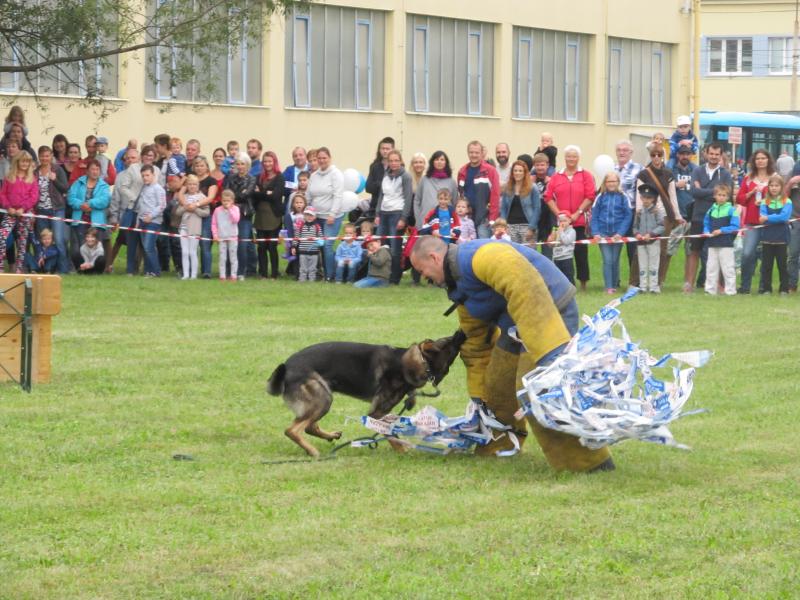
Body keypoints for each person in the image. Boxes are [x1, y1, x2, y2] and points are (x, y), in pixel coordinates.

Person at [409, 235, 614, 472]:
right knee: (497, 384)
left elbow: (527, 288)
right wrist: (479, 400)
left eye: (421, 270)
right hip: (515, 326)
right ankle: (501, 447)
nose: (423, 277)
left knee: (536, 390)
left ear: (434, 257)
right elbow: (477, 342)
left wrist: (548, 353)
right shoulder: (458, 284)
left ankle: (589, 463)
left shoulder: (478, 256)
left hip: (550, 311)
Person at [544, 145, 595, 290]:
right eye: (568, 156)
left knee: (580, 253)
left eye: (574, 156)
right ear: (564, 158)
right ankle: (563, 283)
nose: (571, 159)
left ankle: (583, 283)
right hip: (562, 224)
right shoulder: (556, 176)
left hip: (579, 222)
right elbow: (548, 197)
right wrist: (560, 215)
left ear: (578, 158)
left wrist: (577, 213)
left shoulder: (585, 175)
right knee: (561, 253)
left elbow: (590, 196)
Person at [685, 143, 733, 293]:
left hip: (718, 218)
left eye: (716, 154)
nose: (713, 156)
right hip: (698, 216)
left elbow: (727, 194)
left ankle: (719, 285)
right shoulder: (697, 170)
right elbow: (693, 192)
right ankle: (689, 284)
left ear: (721, 156)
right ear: (706, 154)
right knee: (695, 250)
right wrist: (715, 192)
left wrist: (703, 190)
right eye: (711, 153)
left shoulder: (725, 173)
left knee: (717, 252)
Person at [636, 141, 683, 288]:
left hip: (664, 216)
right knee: (641, 248)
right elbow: (639, 195)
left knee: (662, 250)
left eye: (659, 155)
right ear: (650, 156)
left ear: (663, 156)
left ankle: (658, 281)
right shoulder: (643, 173)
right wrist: (639, 211)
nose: (656, 157)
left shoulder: (668, 173)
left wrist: (677, 216)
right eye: (653, 155)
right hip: (646, 214)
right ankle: (636, 282)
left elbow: (672, 196)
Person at [736, 149, 775, 294]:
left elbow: (782, 198)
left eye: (763, 158)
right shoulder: (748, 178)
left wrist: (766, 200)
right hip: (751, 222)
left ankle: (764, 287)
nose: (760, 161)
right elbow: (739, 199)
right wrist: (751, 193)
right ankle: (745, 286)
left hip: (769, 222)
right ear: (754, 161)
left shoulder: (774, 178)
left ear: (768, 160)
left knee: (766, 256)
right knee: (747, 253)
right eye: (757, 158)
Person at [306, 147, 345, 281]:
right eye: (319, 158)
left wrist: (332, 214)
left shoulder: (336, 174)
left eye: (324, 158)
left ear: (329, 158)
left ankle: (330, 276)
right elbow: (309, 195)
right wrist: (308, 211)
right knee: (320, 245)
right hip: (317, 217)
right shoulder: (314, 175)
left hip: (332, 217)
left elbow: (338, 196)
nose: (322, 161)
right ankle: (327, 271)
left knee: (327, 245)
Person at [375, 149, 413, 284]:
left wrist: (403, 218)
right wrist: (377, 213)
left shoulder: (406, 176)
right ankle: (382, 275)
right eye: (391, 161)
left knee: (395, 249)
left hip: (397, 213)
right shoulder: (386, 175)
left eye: (396, 160)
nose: (394, 163)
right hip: (383, 214)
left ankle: (395, 278)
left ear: (401, 161)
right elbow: (381, 195)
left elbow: (408, 198)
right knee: (381, 246)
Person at [591, 172, 633, 294]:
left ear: (618, 183)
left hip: (617, 235)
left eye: (614, 181)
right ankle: (608, 286)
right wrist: (596, 233)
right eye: (609, 181)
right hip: (603, 234)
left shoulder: (623, 196)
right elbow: (594, 216)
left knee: (615, 259)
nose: (611, 184)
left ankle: (614, 284)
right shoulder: (600, 197)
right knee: (607, 260)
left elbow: (628, 216)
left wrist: (620, 233)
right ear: (605, 183)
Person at [34, 145, 70, 273]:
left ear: (51, 157)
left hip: (56, 209)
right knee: (42, 240)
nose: (45, 158)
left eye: (47, 155)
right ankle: (43, 268)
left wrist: (54, 180)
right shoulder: (35, 172)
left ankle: (63, 269)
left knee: (59, 240)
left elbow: (65, 188)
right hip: (41, 211)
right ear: (39, 157)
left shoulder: (58, 170)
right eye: (42, 156)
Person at [0, 151, 38, 273]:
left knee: (22, 242)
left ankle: (19, 270)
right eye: (23, 161)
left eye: (27, 161)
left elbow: (33, 197)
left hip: (24, 214)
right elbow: (3, 194)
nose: (25, 163)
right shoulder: (9, 177)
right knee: (2, 236)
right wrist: (8, 207)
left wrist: (23, 208)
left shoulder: (32, 179)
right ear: (17, 162)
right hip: (10, 212)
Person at [67, 158, 111, 256]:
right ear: (87, 171)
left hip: (96, 221)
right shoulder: (78, 182)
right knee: (81, 247)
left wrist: (90, 203)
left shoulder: (104, 186)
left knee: (96, 248)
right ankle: (82, 268)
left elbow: (105, 200)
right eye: (92, 169)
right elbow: (71, 198)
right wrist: (81, 205)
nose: (95, 172)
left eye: (97, 169)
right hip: (80, 219)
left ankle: (95, 269)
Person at [224, 152, 257, 280]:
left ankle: (241, 272)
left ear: (247, 165)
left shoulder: (252, 178)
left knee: (242, 244)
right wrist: (237, 195)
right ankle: (228, 271)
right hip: (230, 214)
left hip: (244, 215)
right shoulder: (231, 177)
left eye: (242, 164)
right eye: (238, 163)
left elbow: (246, 194)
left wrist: (234, 196)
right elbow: (226, 194)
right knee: (229, 243)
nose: (240, 166)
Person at [458, 140, 500, 239]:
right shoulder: (462, 171)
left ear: (482, 154)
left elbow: (495, 195)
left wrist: (492, 219)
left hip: (484, 219)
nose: (474, 155)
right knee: (467, 248)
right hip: (467, 219)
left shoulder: (490, 171)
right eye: (471, 152)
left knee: (484, 247)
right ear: (468, 153)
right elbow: (461, 195)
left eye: (477, 153)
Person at [614, 139, 642, 287]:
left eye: (625, 150)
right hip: (615, 214)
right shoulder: (611, 170)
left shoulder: (639, 169)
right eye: (619, 150)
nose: (622, 153)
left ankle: (634, 281)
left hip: (632, 212)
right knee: (613, 249)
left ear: (631, 153)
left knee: (632, 248)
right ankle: (614, 281)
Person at [703, 184, 740, 296]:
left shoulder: (732, 210)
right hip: (712, 244)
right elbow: (706, 223)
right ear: (715, 196)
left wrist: (721, 230)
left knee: (728, 268)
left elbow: (735, 227)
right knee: (711, 268)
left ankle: (730, 291)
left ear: (728, 197)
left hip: (726, 244)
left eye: (724, 195)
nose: (721, 197)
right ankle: (710, 290)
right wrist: (706, 231)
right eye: (719, 195)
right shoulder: (711, 210)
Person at [253, 151, 285, 279]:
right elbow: (254, 194)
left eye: (270, 161)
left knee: (272, 247)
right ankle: (263, 273)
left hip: (274, 217)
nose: (267, 164)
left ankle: (274, 273)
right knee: (261, 247)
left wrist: (261, 192)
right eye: (265, 161)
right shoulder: (258, 177)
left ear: (274, 162)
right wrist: (267, 193)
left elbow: (277, 196)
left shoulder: (279, 177)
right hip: (260, 217)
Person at [759, 174, 792, 294]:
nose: (774, 188)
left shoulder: (786, 201)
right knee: (766, 266)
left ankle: (784, 289)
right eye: (771, 185)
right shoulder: (764, 201)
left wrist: (768, 217)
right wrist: (775, 218)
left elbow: (784, 217)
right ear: (768, 187)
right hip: (767, 238)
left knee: (782, 265)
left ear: (782, 187)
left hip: (782, 238)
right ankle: (766, 288)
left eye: (776, 185)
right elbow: (761, 218)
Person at [188, 155, 219, 278]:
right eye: (197, 165)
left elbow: (210, 198)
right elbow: (181, 193)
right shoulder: (190, 179)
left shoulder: (212, 181)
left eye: (202, 165)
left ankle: (206, 271)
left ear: (207, 167)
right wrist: (186, 204)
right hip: (191, 216)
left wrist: (196, 204)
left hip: (206, 216)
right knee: (192, 245)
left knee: (205, 244)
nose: (199, 168)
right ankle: (192, 270)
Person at [175, 175, 210, 280]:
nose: (192, 186)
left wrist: (195, 208)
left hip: (195, 228)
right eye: (190, 184)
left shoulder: (202, 197)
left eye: (194, 184)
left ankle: (193, 275)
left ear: (198, 185)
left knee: (192, 251)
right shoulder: (184, 197)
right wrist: (185, 207)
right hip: (183, 227)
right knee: (184, 252)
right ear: (187, 185)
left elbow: (206, 213)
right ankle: (186, 274)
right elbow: (178, 212)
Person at [413, 151, 458, 234]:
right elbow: (417, 200)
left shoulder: (451, 182)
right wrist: (418, 219)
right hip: (426, 222)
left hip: (444, 222)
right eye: (437, 159)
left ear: (446, 162)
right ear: (432, 162)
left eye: (442, 159)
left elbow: (455, 202)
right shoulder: (425, 179)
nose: (439, 162)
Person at [134, 164, 167, 277]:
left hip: (153, 222)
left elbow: (162, 205)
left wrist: (151, 216)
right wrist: (139, 219)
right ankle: (148, 271)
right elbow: (141, 205)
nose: (145, 178)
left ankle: (155, 271)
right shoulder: (144, 188)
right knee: (146, 247)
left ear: (153, 175)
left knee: (149, 247)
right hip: (142, 221)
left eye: (147, 175)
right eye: (143, 176)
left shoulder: (159, 189)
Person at [634, 184, 666, 294]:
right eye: (644, 197)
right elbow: (635, 227)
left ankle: (653, 287)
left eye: (649, 198)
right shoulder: (639, 212)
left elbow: (662, 226)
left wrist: (651, 234)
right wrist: (637, 234)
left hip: (653, 242)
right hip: (641, 243)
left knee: (653, 264)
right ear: (641, 198)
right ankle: (643, 286)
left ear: (654, 199)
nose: (646, 200)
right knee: (642, 265)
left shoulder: (657, 211)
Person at [500, 159, 540, 244]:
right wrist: (504, 226)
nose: (517, 173)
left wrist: (532, 228)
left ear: (525, 173)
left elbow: (537, 209)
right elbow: (503, 208)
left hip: (527, 227)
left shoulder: (533, 188)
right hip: (510, 227)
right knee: (513, 255)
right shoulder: (507, 188)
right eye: (515, 171)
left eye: (520, 171)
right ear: (512, 173)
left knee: (528, 255)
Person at [669, 146, 696, 267]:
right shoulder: (671, 170)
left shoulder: (696, 170)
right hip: (676, 216)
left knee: (690, 251)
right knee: (668, 250)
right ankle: (660, 281)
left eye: (688, 154)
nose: (685, 156)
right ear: (678, 155)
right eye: (682, 154)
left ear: (691, 155)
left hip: (692, 216)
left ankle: (688, 283)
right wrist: (675, 184)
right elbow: (664, 185)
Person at [212, 189, 240, 281]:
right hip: (221, 237)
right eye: (224, 200)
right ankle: (222, 276)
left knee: (233, 257)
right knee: (222, 258)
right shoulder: (217, 210)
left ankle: (233, 275)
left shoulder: (236, 209)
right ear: (221, 200)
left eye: (228, 201)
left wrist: (230, 210)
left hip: (232, 237)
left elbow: (236, 219)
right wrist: (215, 235)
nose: (226, 202)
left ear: (232, 201)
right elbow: (214, 224)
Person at [365, 137, 394, 216]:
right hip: (375, 207)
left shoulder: (397, 167)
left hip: (391, 208)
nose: (385, 151)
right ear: (379, 150)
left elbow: (395, 189)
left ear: (392, 150)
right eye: (382, 148)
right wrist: (382, 184)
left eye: (387, 149)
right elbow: (368, 188)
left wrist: (377, 184)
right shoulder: (374, 166)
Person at [293, 206, 323, 282]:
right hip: (302, 251)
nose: (309, 217)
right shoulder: (300, 227)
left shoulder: (317, 227)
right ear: (304, 216)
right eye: (307, 215)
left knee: (313, 268)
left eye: (311, 215)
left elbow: (321, 238)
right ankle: (302, 280)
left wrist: (320, 242)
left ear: (315, 217)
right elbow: (296, 237)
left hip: (314, 252)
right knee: (303, 268)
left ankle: (311, 280)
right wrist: (293, 247)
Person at [548, 213, 576, 284]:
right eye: (560, 221)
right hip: (556, 258)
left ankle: (571, 291)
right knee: (558, 277)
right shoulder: (557, 231)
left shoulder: (572, 231)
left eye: (564, 221)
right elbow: (551, 245)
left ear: (569, 221)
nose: (562, 223)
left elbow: (566, 241)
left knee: (568, 276)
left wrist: (561, 232)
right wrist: (551, 238)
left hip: (567, 258)